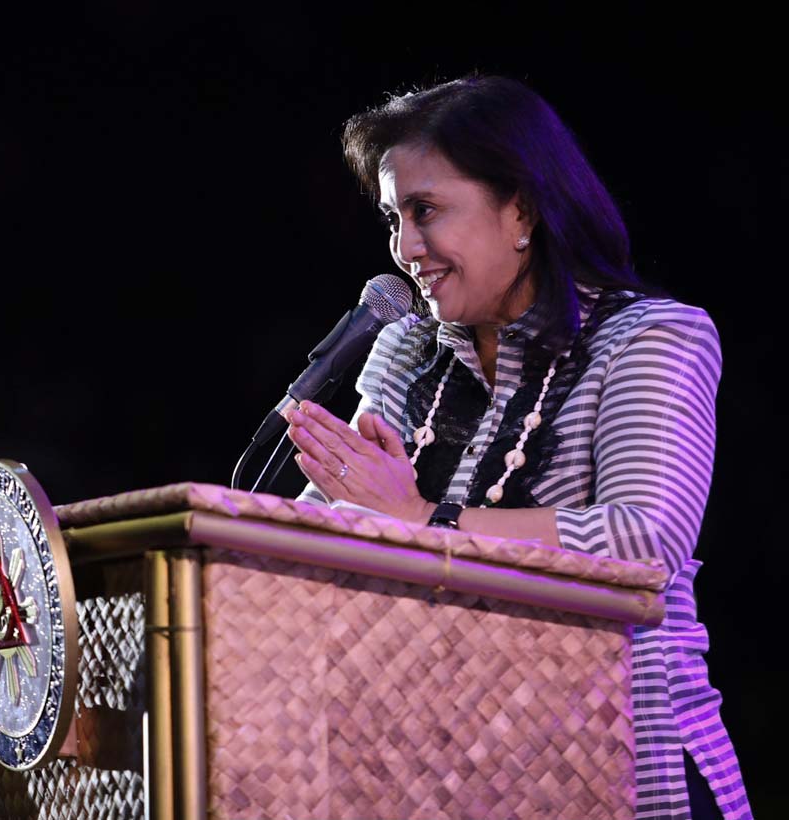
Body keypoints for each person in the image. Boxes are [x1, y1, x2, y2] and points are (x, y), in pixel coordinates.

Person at [286, 75, 751, 820]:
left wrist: (425, 517)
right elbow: (331, 524)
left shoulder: (652, 339)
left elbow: (645, 539)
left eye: (426, 210)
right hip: (452, 785)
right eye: (392, 217)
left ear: (522, 210)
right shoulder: (407, 351)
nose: (405, 248)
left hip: (630, 775)